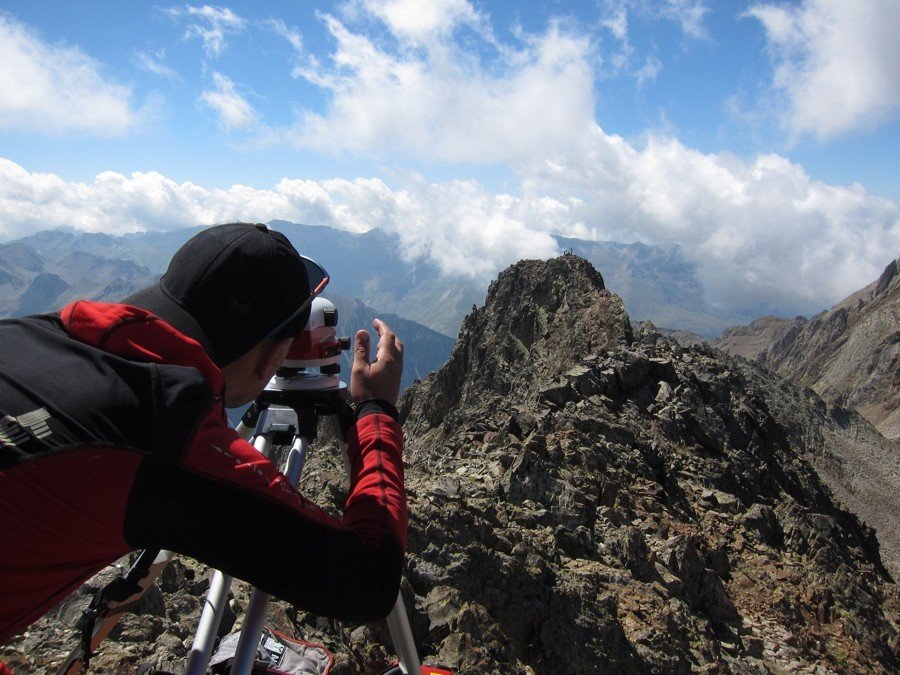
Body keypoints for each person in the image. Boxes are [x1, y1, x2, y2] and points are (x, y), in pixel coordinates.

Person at [0, 222, 406, 646]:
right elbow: (368, 578)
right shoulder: (168, 432)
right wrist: (376, 410)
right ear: (271, 356)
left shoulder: (30, 331)